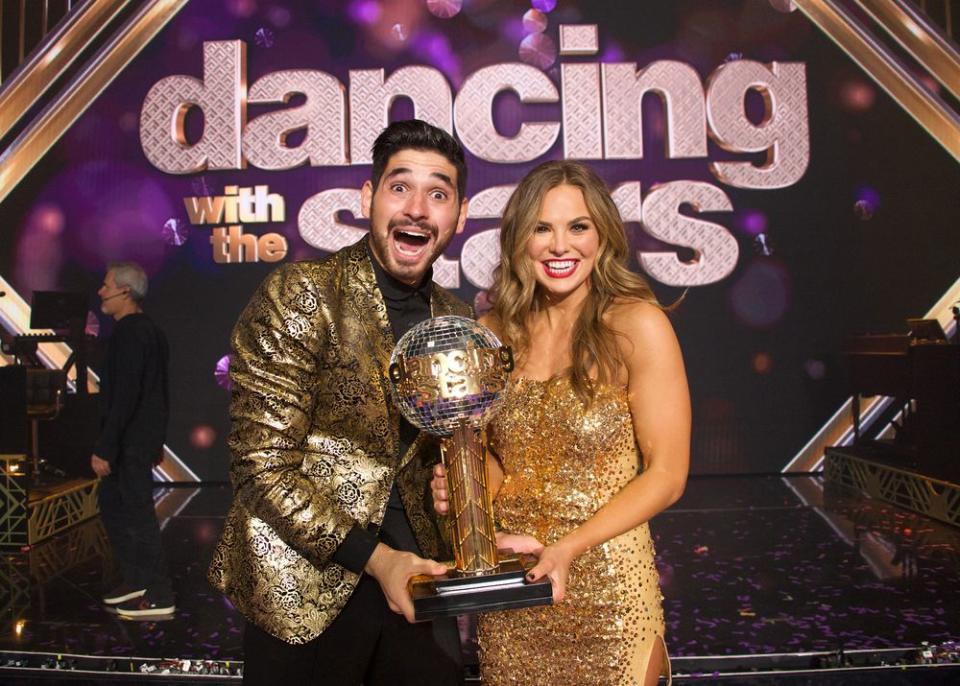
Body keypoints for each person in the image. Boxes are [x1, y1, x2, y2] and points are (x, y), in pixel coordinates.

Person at [208, 119, 472, 685]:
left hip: (420, 582)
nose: (418, 208)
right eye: (400, 187)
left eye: (439, 193)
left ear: (460, 215)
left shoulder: (457, 318)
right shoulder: (301, 293)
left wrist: (462, 499)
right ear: (368, 197)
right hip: (304, 587)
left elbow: (445, 453)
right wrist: (378, 560)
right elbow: (260, 467)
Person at [432, 160, 690, 685]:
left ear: (603, 236)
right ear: (520, 238)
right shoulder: (490, 333)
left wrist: (570, 547)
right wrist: (468, 488)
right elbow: (506, 460)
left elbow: (667, 474)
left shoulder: (638, 325)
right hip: (516, 593)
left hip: (609, 592)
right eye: (542, 228)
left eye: (578, 227)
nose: (559, 245)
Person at [92, 261, 175, 619]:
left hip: (127, 443)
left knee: (135, 514)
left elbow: (125, 396)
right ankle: (138, 579)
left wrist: (104, 448)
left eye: (106, 285)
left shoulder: (130, 334)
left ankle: (158, 593)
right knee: (118, 507)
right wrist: (155, 440)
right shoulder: (150, 332)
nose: (100, 292)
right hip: (138, 440)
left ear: (125, 291)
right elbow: (157, 394)